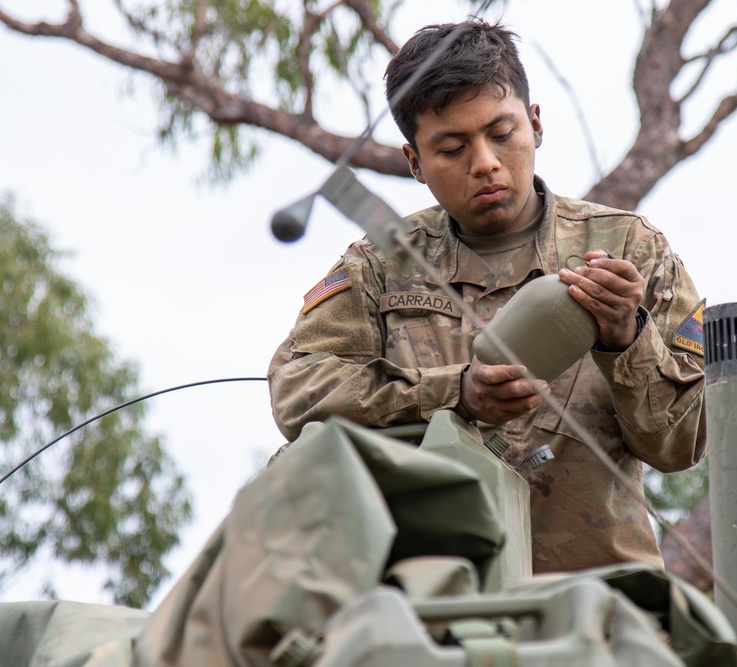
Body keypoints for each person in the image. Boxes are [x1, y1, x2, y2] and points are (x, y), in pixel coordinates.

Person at [268, 19, 706, 574]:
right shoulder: (381, 264)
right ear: (414, 162)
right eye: (451, 148)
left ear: (536, 124)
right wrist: (455, 394)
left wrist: (626, 338)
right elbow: (297, 390)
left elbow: (680, 445)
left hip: (604, 611)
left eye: (502, 134)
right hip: (437, 610)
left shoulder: (628, 247)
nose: (485, 163)